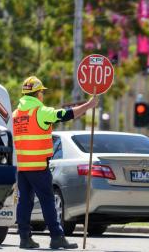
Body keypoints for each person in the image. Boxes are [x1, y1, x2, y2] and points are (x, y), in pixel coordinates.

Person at [13, 76, 98, 249]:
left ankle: (24, 238)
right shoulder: (40, 111)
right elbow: (65, 114)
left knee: (24, 203)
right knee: (48, 201)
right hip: (38, 167)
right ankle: (57, 237)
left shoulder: (16, 114)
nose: (42, 96)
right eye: (42, 93)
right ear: (38, 94)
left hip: (22, 167)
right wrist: (88, 106)